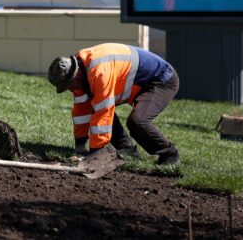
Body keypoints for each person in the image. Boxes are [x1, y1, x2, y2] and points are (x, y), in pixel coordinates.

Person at [48, 43, 180, 165]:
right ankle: (126, 149)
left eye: (68, 85)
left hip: (162, 79)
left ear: (75, 76)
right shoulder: (79, 68)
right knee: (97, 106)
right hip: (144, 79)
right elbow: (82, 109)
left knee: (137, 122)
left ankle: (169, 155)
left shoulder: (99, 72)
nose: (70, 89)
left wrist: (95, 154)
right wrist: (80, 148)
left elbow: (103, 113)